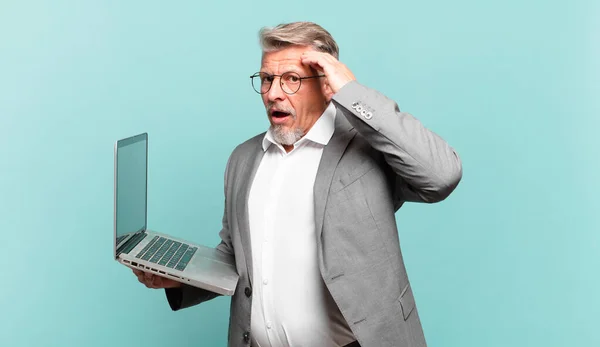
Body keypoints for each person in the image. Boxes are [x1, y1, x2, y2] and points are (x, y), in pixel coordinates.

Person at [133, 21, 462, 347]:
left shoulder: (367, 148)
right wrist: (178, 279)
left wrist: (352, 92)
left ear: (325, 83)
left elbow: (441, 176)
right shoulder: (243, 159)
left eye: (291, 79)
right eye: (266, 79)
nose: (274, 93)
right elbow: (238, 259)